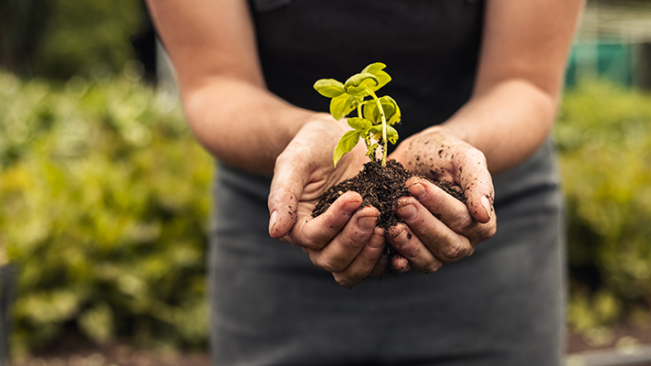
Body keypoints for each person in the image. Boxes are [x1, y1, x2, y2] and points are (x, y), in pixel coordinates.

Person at [147, 0, 584, 364]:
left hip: (483, 218)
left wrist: (458, 143)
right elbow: (214, 82)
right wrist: (301, 136)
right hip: (285, 221)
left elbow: (524, 80)